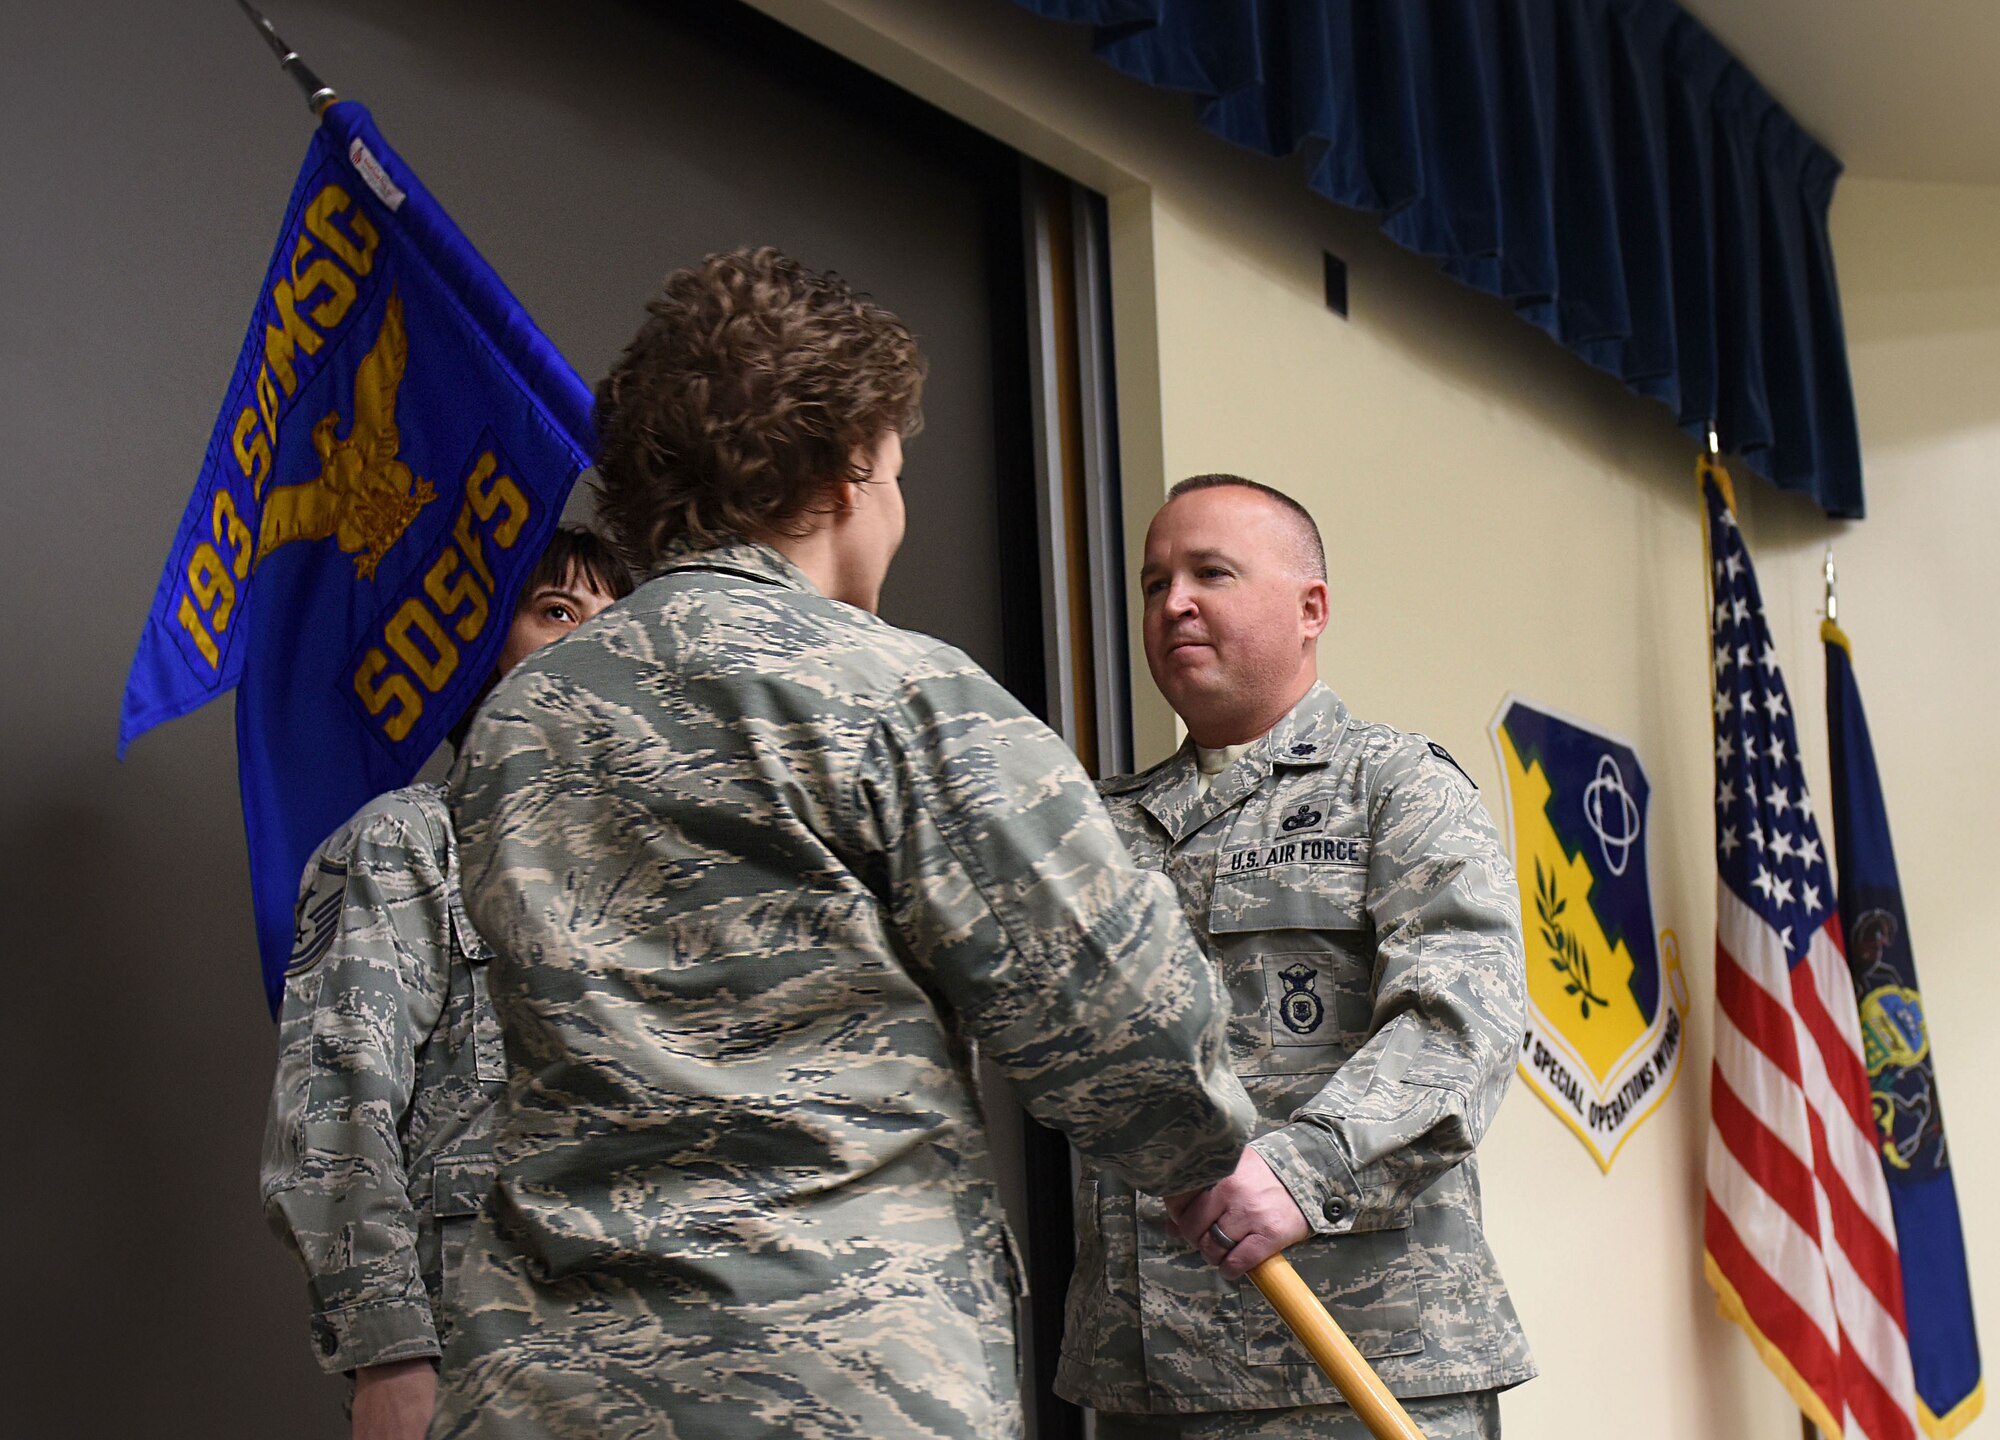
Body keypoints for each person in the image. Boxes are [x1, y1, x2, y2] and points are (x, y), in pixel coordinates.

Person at [429, 248, 1254, 1440]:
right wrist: (1195, 1140)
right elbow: (1135, 1036)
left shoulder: (518, 721)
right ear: (848, 462)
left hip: (545, 1383)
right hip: (833, 1375)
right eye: (899, 468)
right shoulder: (901, 695)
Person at [1056, 475, 1536, 1440]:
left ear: (1311, 608)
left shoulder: (1395, 787)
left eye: (1210, 573)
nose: (1174, 603)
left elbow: (1462, 1021)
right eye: (1155, 584)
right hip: (1145, 1369)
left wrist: (1306, 1169)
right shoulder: (1092, 826)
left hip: (1359, 1355)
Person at [261, 527, 634, 1440]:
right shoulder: (408, 841)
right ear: (482, 651)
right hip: (479, 1358)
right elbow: (334, 1112)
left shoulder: (662, 867)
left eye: (617, 620)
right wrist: (387, 1356)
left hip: (656, 1354)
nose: (594, 639)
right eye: (556, 613)